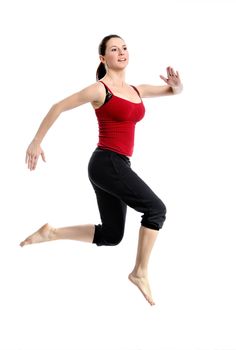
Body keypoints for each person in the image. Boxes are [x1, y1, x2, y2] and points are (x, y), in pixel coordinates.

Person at [20, 34, 183, 306]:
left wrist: (177, 86)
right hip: (107, 163)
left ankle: (52, 233)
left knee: (112, 235)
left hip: (116, 165)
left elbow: (173, 92)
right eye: (114, 49)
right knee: (156, 210)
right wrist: (36, 142)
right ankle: (140, 272)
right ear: (103, 58)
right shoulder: (100, 90)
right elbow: (58, 106)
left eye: (125, 48)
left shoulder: (136, 90)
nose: (121, 53)